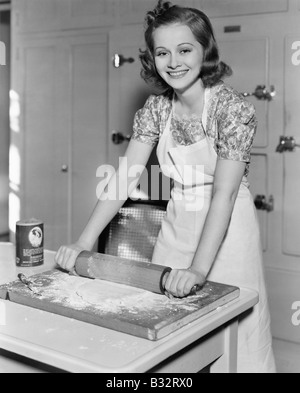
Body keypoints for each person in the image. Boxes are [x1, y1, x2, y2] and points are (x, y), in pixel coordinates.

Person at [55, 0, 276, 373]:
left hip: (228, 233)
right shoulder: (156, 109)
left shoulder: (232, 109)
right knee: (168, 341)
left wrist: (199, 269)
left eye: (185, 49)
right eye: (162, 52)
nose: (173, 62)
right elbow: (124, 176)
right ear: (152, 58)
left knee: (236, 341)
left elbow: (222, 194)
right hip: (177, 227)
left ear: (205, 50)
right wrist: (83, 241)